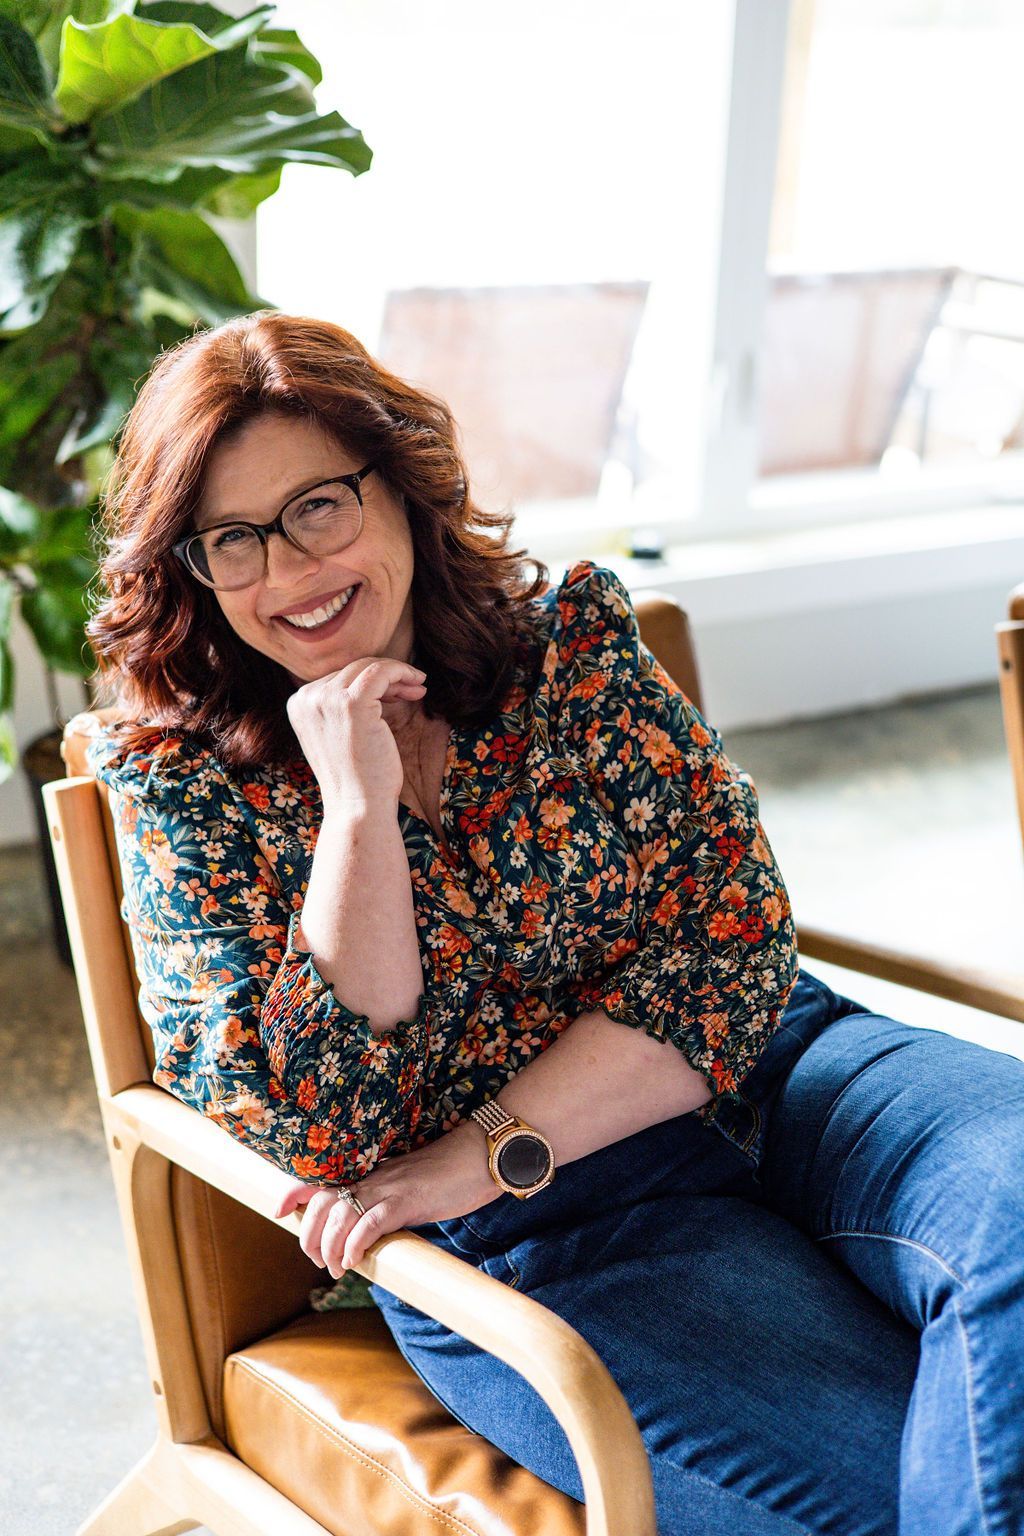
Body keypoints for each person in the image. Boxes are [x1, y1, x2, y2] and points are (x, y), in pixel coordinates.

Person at [83, 310, 1024, 1536]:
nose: (292, 571)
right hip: (556, 1236)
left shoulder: (568, 650)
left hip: (786, 1069)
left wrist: (479, 1144)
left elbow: (732, 942)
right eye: (233, 540)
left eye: (318, 505)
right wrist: (357, 814)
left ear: (403, 490)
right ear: (191, 569)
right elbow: (321, 1130)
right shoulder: (182, 784)